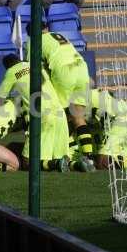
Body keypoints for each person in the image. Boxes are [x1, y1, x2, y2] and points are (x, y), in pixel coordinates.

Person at [0, 55, 85, 171]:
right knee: (60, 156)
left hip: (41, 116)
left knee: (28, 162)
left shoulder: (11, 72)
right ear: (19, 60)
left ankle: (57, 165)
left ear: (7, 66)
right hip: (59, 114)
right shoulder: (37, 65)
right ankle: (79, 165)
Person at [26, 23, 94, 161]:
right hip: (81, 67)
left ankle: (61, 153)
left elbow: (30, 66)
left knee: (60, 115)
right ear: (46, 29)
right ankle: (88, 155)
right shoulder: (59, 36)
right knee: (78, 117)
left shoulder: (33, 41)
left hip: (64, 72)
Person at [69, 88, 127, 170]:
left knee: (102, 163)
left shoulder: (75, 100)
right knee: (106, 158)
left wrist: (88, 156)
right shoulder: (85, 95)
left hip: (122, 121)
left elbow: (80, 124)